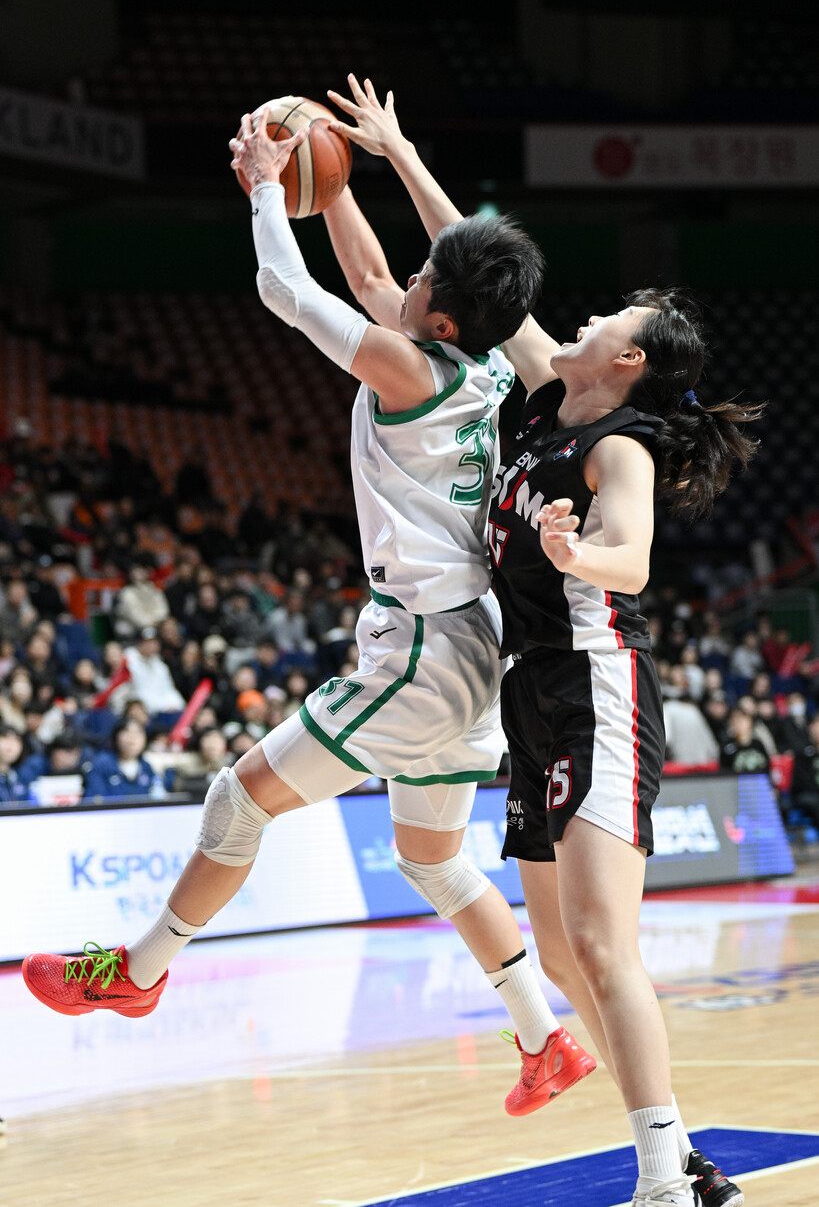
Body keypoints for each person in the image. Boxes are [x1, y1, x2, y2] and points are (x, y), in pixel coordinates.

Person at [22, 77, 594, 1122]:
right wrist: (333, 183)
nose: (404, 276)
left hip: (422, 650)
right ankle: (543, 1039)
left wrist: (263, 183)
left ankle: (139, 972)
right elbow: (373, 274)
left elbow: (288, 291)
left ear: (441, 312)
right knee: (431, 858)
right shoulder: (478, 369)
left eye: (424, 276)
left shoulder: (409, 372)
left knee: (237, 797)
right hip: (475, 644)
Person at [313, 84, 755, 1207]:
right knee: (560, 955)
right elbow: (477, 267)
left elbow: (632, 561)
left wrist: (575, 553)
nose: (590, 317)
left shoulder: (621, 448)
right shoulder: (549, 394)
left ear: (631, 359)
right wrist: (400, 154)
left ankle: (664, 1177)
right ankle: (676, 1151)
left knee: (603, 944)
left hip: (598, 681)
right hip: (528, 690)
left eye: (614, 317)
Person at [84, 719, 163, 801]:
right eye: (126, 731)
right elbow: (95, 799)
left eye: (138, 732)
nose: (132, 737)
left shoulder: (146, 767)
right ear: (116, 736)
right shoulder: (101, 764)